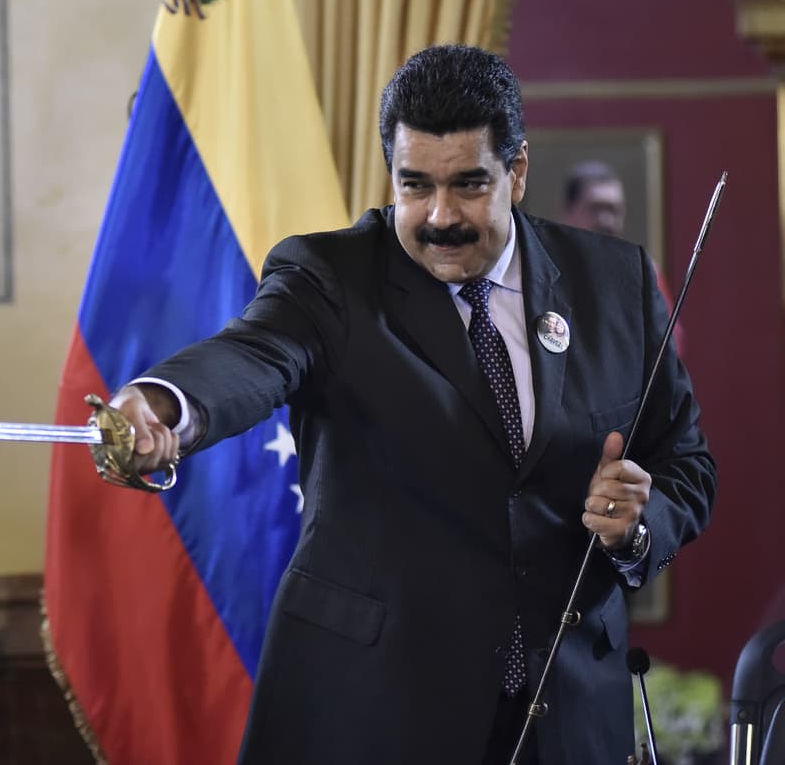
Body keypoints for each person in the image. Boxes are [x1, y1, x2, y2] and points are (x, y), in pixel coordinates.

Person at [109, 45, 715, 764]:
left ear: (517, 172)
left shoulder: (613, 282)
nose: (439, 217)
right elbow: (252, 355)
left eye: (468, 185)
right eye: (415, 185)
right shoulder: (329, 278)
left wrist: (640, 525)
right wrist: (166, 403)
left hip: (568, 716)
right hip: (377, 710)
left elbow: (684, 462)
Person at [561, 160, 684, 354]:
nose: (606, 221)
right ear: (569, 211)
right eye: (596, 208)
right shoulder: (546, 270)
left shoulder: (645, 272)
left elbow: (669, 347)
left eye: (614, 210)